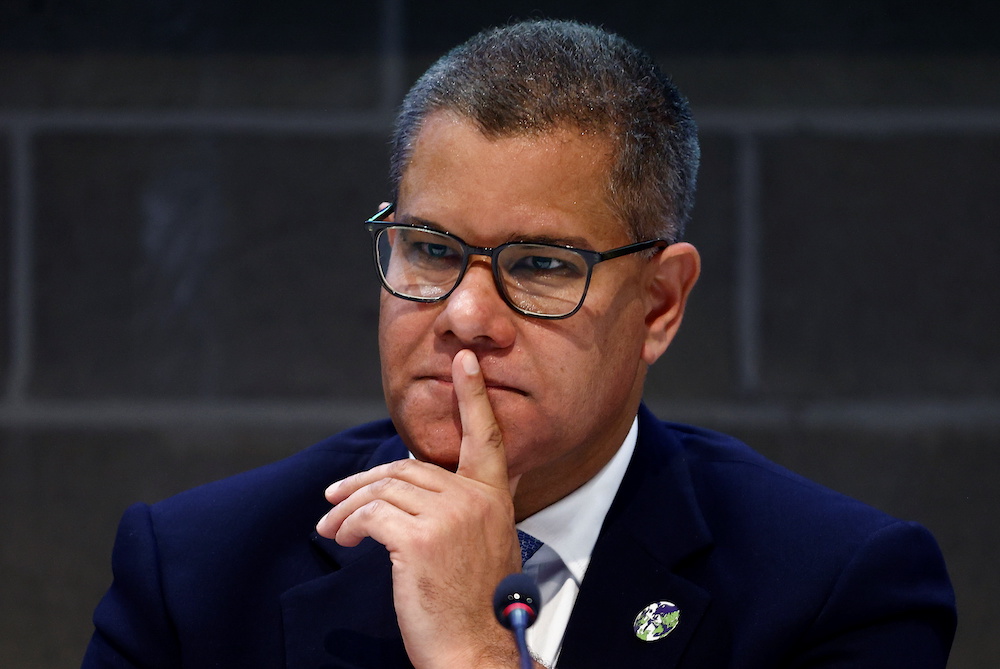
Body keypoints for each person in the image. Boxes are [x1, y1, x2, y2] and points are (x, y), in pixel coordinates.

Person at [82, 19, 956, 669]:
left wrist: (475, 650)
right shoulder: (194, 573)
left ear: (658, 303)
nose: (466, 314)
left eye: (538, 265)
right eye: (431, 249)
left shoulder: (840, 592)